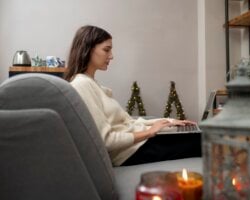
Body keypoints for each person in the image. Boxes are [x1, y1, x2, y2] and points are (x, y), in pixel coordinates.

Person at [64, 25, 201, 166]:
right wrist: (149, 133)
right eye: (106, 49)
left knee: (199, 135)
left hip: (138, 144)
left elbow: (129, 123)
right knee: (205, 141)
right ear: (88, 49)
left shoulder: (92, 84)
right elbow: (106, 141)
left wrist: (169, 122)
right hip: (131, 153)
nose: (111, 56)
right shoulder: (81, 85)